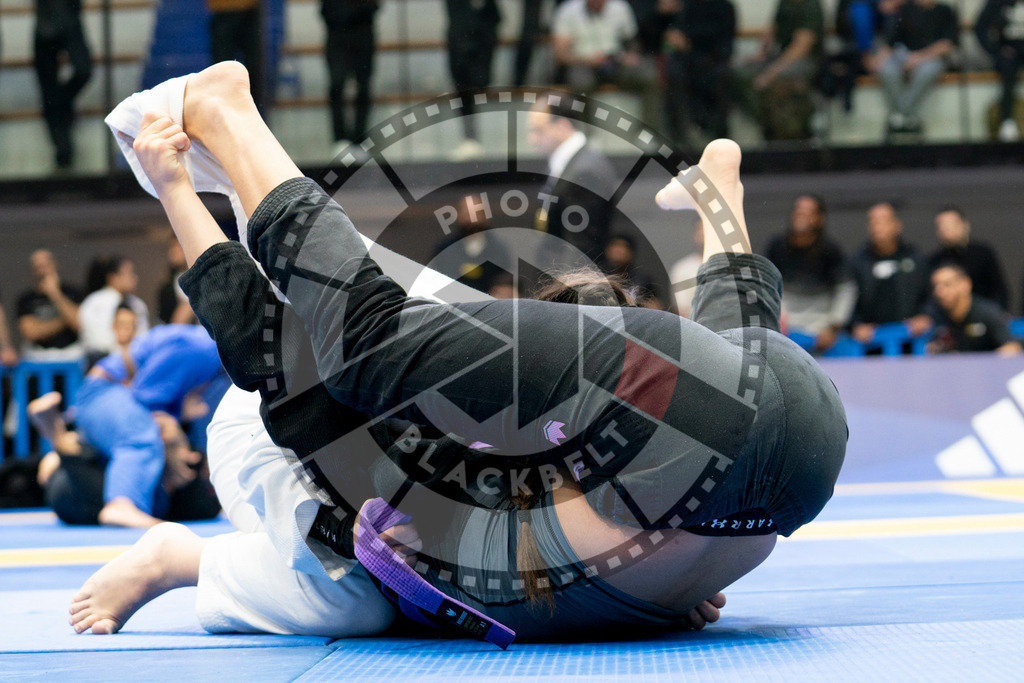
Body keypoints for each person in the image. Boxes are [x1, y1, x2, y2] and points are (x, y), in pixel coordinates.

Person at [72, 63, 846, 641]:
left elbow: (275, 338)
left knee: (365, 341)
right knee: (362, 350)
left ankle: (226, 113)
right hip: (774, 441)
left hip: (772, 475)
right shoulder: (419, 489)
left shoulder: (397, 489)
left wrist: (177, 189)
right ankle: (720, 190)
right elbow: (263, 337)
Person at [72, 316, 226, 527]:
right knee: (141, 436)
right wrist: (174, 432)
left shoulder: (210, 354)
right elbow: (145, 399)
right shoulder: (201, 349)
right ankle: (121, 505)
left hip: (109, 401)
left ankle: (67, 452)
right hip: (103, 392)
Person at [527, 93, 618, 263]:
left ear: (562, 126)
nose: (532, 139)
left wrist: (563, 290)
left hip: (572, 283)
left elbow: (580, 250)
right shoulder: (568, 165)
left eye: (538, 130)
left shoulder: (586, 171)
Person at [765, 195, 857, 354]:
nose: (801, 215)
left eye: (809, 212)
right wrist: (772, 321)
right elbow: (764, 285)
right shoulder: (776, 247)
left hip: (821, 327)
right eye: (798, 210)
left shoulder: (831, 251)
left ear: (820, 218)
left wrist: (833, 327)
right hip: (783, 326)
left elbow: (846, 289)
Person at [551, 0, 661, 127]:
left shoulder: (620, 7)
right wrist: (588, 60)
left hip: (616, 61)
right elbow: (559, 54)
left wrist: (631, 54)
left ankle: (649, 132)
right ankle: (585, 133)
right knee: (580, 81)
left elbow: (632, 41)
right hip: (583, 63)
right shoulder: (568, 10)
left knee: (649, 75)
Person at [735, 0, 824, 140]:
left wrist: (770, 73)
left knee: (779, 80)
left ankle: (790, 133)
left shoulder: (810, 5)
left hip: (804, 61)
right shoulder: (785, 2)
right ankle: (767, 123)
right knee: (739, 72)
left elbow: (802, 46)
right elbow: (773, 28)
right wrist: (762, 53)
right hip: (780, 57)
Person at [867, 0, 959, 135]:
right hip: (904, 55)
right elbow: (892, 40)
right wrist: (878, 59)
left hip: (930, 57)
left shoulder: (945, 11)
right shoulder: (906, 9)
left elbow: (947, 44)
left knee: (930, 70)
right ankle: (908, 118)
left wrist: (919, 57)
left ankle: (898, 116)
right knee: (886, 69)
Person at [849, 202, 929, 347]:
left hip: (911, 335)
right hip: (871, 340)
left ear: (896, 225)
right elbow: (849, 297)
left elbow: (929, 293)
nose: (877, 226)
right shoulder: (858, 261)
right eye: (873, 221)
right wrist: (856, 325)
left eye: (882, 221)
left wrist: (925, 316)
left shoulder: (914, 256)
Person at [663, 0, 736, 147]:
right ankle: (680, 140)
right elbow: (676, 36)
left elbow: (724, 44)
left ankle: (720, 138)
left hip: (714, 60)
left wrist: (691, 44)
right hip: (688, 61)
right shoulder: (687, 6)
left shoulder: (725, 7)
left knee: (720, 78)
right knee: (675, 76)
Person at [34, 0, 93, 169]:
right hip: (45, 24)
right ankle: (63, 153)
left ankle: (60, 108)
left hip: (69, 20)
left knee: (82, 72)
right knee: (49, 91)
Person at [445, 0, 502, 161]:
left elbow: (495, 17)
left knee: (478, 85)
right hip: (461, 43)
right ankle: (469, 139)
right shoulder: (458, 12)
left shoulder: (487, 12)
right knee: (463, 91)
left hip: (482, 43)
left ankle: (472, 139)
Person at [321, 0, 379, 156]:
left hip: (363, 32)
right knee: (336, 85)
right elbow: (326, 9)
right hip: (337, 34)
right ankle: (340, 139)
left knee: (364, 86)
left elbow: (373, 6)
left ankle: (360, 139)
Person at [925, 206, 1009, 311]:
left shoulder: (982, 253)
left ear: (965, 225)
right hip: (948, 322)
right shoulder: (934, 260)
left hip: (984, 317)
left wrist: (998, 315)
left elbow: (999, 290)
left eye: (951, 224)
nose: (945, 229)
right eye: (941, 226)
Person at [928, 263, 1022, 355]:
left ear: (966, 284)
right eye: (936, 286)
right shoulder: (936, 315)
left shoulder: (988, 312)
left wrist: (987, 363)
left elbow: (1012, 347)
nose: (939, 292)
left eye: (947, 284)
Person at [431, 194, 513, 297]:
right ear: (459, 215)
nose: (471, 219)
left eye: (476, 213)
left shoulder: (498, 249)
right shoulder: (445, 249)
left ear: (485, 215)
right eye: (466, 213)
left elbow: (505, 283)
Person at [17, 249, 85, 359]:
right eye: (38, 267)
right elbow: (31, 332)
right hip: (39, 356)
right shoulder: (26, 299)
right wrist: (64, 320)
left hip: (71, 354)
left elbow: (78, 323)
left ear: (54, 264)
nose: (42, 271)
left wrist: (55, 294)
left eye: (45, 265)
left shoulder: (73, 293)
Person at [78, 256, 150, 358]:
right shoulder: (94, 302)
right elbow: (96, 341)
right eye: (129, 273)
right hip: (101, 358)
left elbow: (144, 336)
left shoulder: (138, 304)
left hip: (134, 358)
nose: (134, 278)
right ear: (112, 278)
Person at [975, 0, 1024, 142]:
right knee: (1008, 69)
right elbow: (980, 27)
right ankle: (1007, 122)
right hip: (1009, 52)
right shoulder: (998, 2)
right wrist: (996, 50)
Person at [208, 0, 265, 111]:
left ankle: (251, 111)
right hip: (224, 10)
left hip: (248, 10)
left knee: (253, 67)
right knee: (223, 69)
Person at [668, 220, 704, 317]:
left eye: (707, 230)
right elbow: (682, 310)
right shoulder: (682, 269)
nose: (703, 234)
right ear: (695, 235)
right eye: (700, 230)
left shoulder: (730, 267)